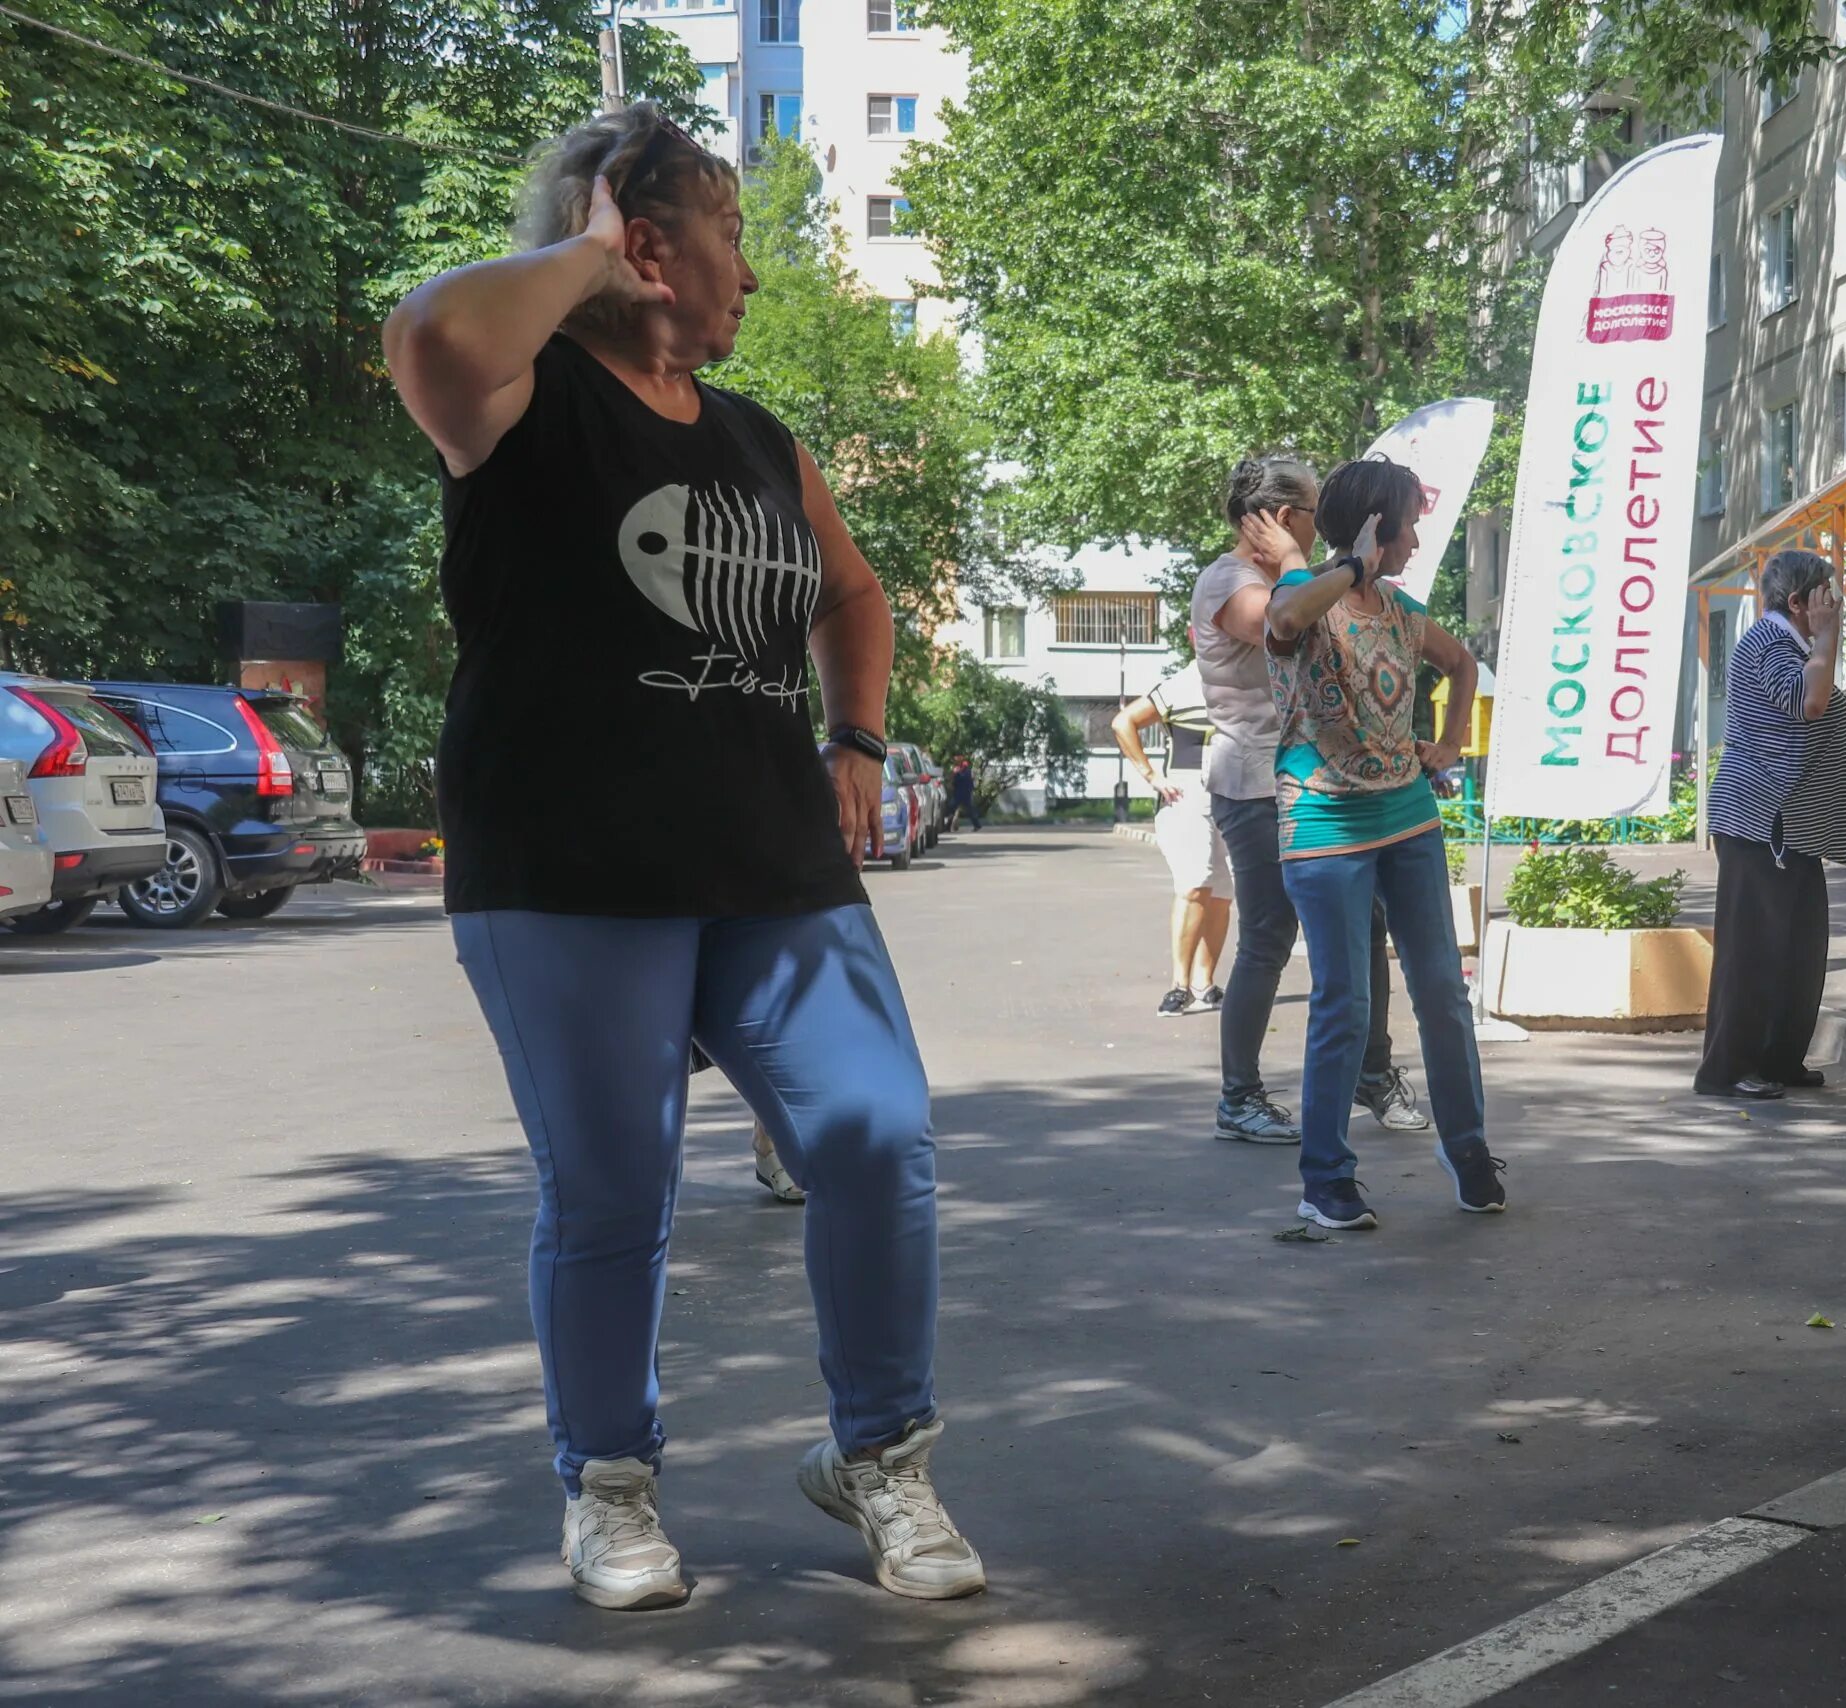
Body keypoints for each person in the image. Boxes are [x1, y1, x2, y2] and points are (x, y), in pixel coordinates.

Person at [383, 103, 982, 1611]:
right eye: (728, 230)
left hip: (769, 855)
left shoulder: (758, 437)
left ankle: (880, 1460)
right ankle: (610, 1488)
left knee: (877, 1136)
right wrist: (581, 248)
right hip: (564, 861)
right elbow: (432, 335)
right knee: (609, 1192)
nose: (751, 276)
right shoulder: (526, 401)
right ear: (647, 243)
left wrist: (855, 740)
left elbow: (853, 595)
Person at [1260, 457, 1504, 1230]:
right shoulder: (1303, 596)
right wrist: (1353, 564)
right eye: (1409, 522)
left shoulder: (1399, 611)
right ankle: (1325, 1178)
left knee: (1441, 991)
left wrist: (1452, 740)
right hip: (1325, 822)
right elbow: (1288, 624)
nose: (1417, 535)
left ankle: (1467, 1149)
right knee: (1346, 1002)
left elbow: (1461, 664)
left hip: (1408, 818)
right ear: (1376, 527)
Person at [1191, 456, 1430, 1145]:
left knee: (1370, 927)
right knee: (1268, 936)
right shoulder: (1231, 581)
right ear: (1282, 519)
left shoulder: (1304, 576)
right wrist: (1336, 569)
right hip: (1257, 784)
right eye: (1314, 511)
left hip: (1326, 781)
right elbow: (1283, 621)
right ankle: (1239, 1097)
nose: (1327, 524)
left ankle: (1371, 1072)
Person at [1696, 549, 1846, 1100]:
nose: (1835, 604)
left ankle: (1779, 1057)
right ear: (1797, 602)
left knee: (1800, 946)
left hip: (1791, 828)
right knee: (1753, 950)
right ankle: (1728, 1069)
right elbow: (1809, 702)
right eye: (1826, 596)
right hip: (1757, 822)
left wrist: (1820, 640)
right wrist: (1827, 637)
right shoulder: (1768, 643)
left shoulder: (1790, 644)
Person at [1110, 660, 1233, 1016]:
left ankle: (1204, 984)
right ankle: (1179, 986)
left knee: (1223, 892)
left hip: (1233, 793)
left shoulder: (1246, 675)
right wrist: (1151, 776)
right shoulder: (1182, 683)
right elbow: (1123, 722)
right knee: (1195, 884)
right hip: (1185, 795)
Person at [945, 756, 979, 832]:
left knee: (952, 808)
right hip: (963, 792)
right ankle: (977, 825)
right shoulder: (963, 769)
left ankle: (948, 826)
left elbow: (958, 779)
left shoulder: (961, 770)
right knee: (955, 809)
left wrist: (953, 781)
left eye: (956, 761)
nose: (955, 762)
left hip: (961, 793)